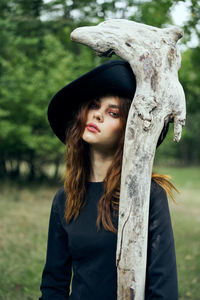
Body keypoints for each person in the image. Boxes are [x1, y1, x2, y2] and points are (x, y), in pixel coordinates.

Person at [39, 60, 178, 300]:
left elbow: (164, 288)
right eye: (94, 105)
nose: (98, 115)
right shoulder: (65, 198)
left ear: (128, 128)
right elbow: (54, 284)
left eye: (113, 112)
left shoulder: (148, 194)